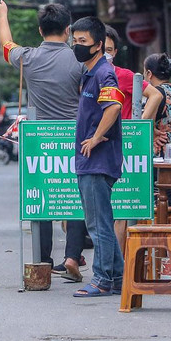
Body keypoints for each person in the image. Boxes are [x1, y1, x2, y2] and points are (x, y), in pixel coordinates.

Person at [0, 0, 88, 281]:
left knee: (43, 198)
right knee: (73, 197)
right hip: (74, 136)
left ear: (40, 31)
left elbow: (6, 46)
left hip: (41, 138)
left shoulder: (29, 58)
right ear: (68, 30)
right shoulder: (79, 59)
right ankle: (72, 257)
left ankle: (43, 260)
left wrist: (3, 16)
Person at [69, 17, 126, 297]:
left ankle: (102, 278)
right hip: (91, 160)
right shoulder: (89, 73)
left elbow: (113, 106)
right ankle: (117, 277)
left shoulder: (104, 73)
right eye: (75, 41)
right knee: (101, 220)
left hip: (98, 160)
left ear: (98, 44)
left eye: (83, 42)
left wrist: (95, 137)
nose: (77, 46)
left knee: (97, 223)